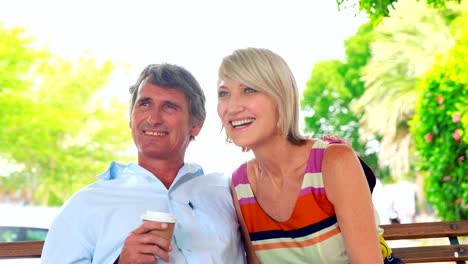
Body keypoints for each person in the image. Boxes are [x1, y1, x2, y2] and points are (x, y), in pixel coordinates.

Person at [41, 64, 246, 264]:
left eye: (169, 107)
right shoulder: (85, 204)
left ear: (196, 125)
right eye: (145, 104)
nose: (154, 118)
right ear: (131, 118)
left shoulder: (228, 194)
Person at [216, 47, 392, 263]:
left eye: (249, 90)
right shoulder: (241, 185)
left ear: (280, 96)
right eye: (224, 93)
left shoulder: (334, 162)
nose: (232, 107)